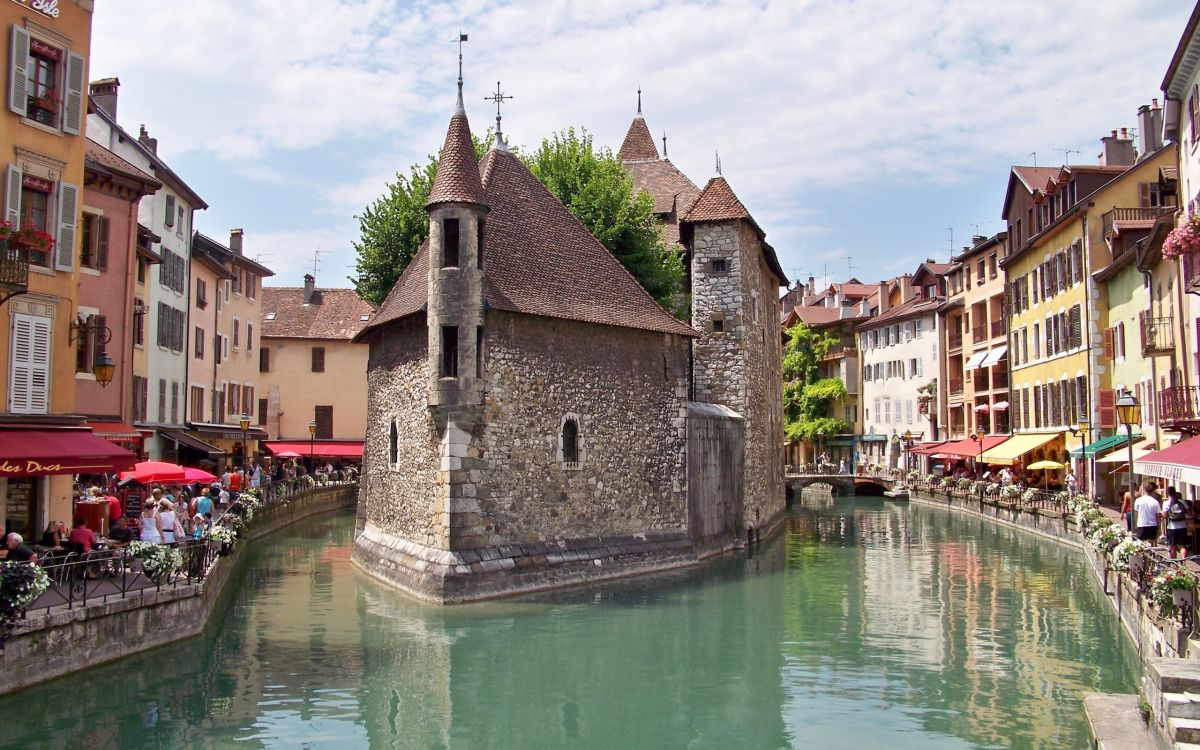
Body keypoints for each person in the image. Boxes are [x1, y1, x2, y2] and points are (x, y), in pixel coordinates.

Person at [1163, 487, 1190, 559]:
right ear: (1175, 492)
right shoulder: (1182, 502)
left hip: (1171, 527)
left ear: (1168, 493)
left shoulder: (1166, 503)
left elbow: (1164, 516)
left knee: (1172, 547)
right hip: (1182, 526)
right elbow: (1189, 513)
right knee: (1183, 546)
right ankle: (1183, 562)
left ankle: (1174, 563)